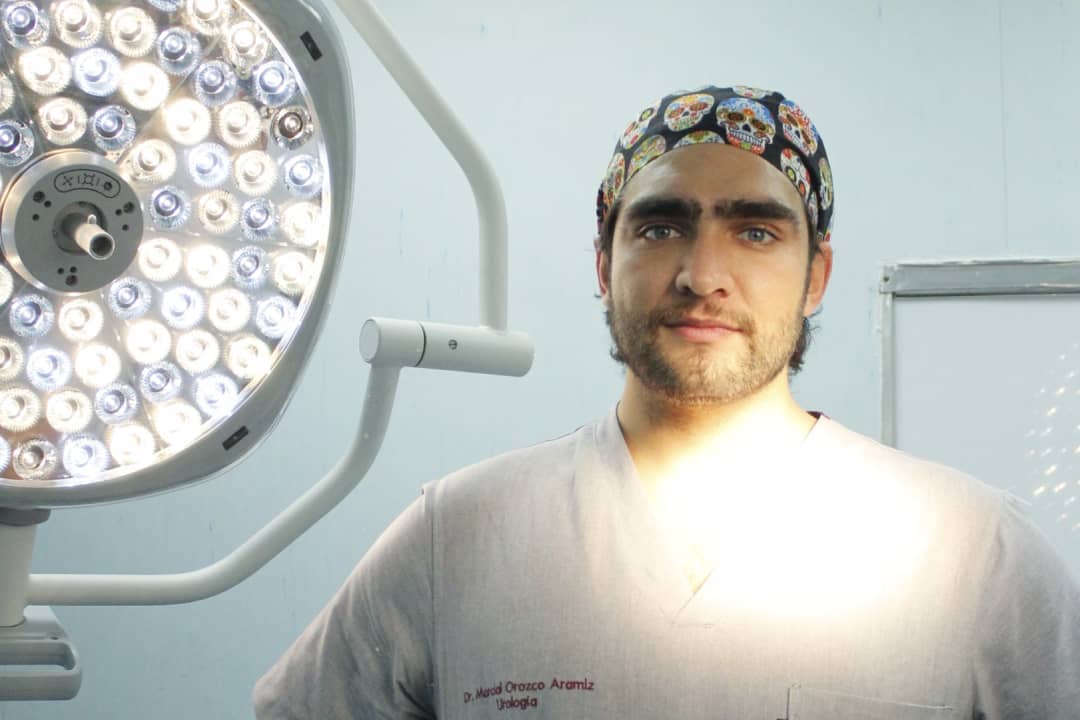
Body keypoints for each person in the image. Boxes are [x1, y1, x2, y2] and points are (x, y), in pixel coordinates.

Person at [253, 85, 1080, 719]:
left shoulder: (975, 557)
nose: (701, 275)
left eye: (756, 231)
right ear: (603, 263)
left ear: (816, 276)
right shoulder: (458, 538)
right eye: (659, 228)